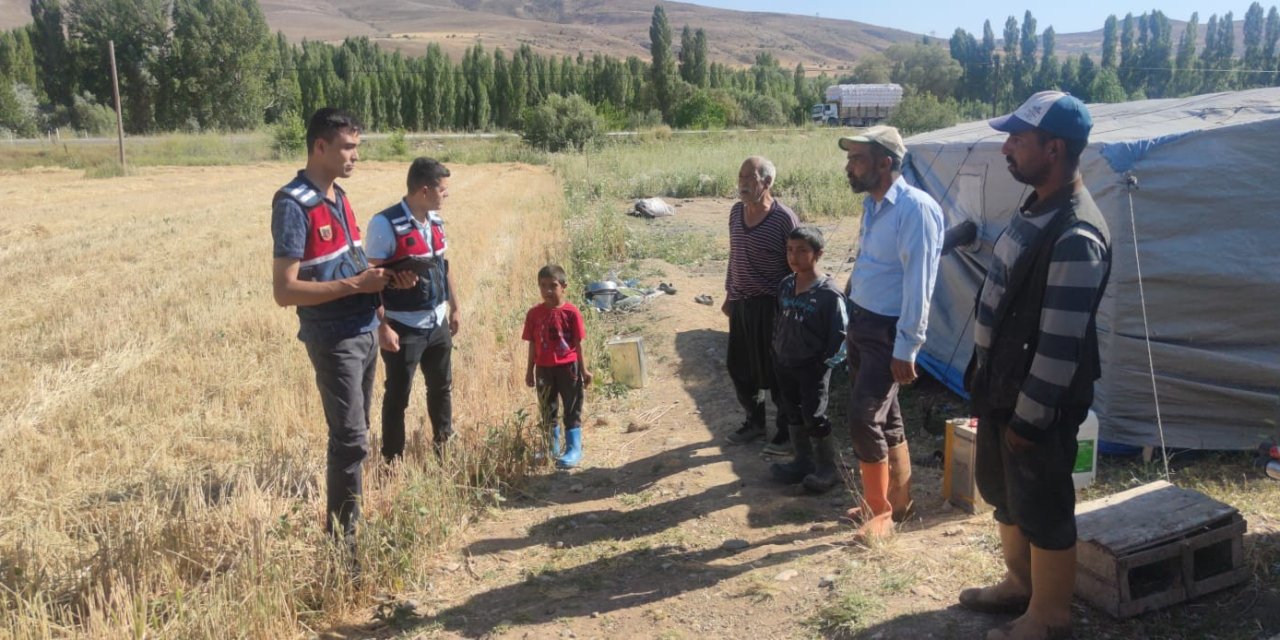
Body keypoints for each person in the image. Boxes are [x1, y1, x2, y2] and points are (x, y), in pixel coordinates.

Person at [958, 91, 1111, 640]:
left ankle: (1049, 617)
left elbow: (1059, 344)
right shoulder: (1037, 203)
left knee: (1044, 507)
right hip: (1004, 390)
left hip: (1037, 402)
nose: (1006, 148)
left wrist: (1030, 418)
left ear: (1054, 148)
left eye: (1018, 140)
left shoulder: (1075, 235)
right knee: (1006, 495)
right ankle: (1020, 588)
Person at [270, 107, 414, 545]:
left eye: (356, 147)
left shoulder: (339, 197)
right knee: (351, 441)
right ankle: (343, 545)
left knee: (358, 436)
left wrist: (387, 283)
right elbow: (285, 290)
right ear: (320, 147)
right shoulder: (293, 204)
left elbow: (351, 267)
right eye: (348, 147)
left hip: (365, 329)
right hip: (334, 338)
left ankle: (352, 526)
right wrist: (357, 284)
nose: (355, 156)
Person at [839, 126, 944, 541]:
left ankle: (879, 511)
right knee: (888, 417)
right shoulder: (873, 205)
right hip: (862, 322)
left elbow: (921, 283)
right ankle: (898, 502)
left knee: (864, 416)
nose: (850, 167)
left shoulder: (915, 210)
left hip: (888, 331)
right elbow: (871, 263)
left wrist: (908, 346)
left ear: (886, 163)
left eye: (858, 159)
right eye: (850, 160)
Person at [365, 158, 461, 461]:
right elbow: (371, 280)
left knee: (441, 388)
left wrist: (454, 308)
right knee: (397, 396)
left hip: (437, 322)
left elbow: (444, 267)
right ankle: (392, 459)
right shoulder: (384, 224)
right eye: (442, 190)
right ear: (424, 190)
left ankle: (443, 448)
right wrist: (382, 326)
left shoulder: (435, 221)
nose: (446, 195)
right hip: (403, 326)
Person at [722, 156, 800, 456]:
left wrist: (791, 310)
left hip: (772, 306)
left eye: (748, 177)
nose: (741, 182)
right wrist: (730, 293)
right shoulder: (735, 213)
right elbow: (734, 256)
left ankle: (785, 433)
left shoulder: (783, 219)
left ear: (766, 182)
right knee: (739, 367)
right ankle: (755, 423)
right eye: (740, 176)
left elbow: (797, 266)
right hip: (741, 302)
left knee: (777, 372)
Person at [768, 226, 848, 493]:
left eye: (802, 250)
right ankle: (802, 461)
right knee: (792, 411)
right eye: (790, 250)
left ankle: (827, 469)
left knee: (814, 415)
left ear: (818, 254)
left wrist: (824, 365)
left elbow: (841, 336)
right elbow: (779, 319)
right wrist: (776, 349)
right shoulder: (786, 285)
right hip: (785, 362)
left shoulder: (829, 295)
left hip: (812, 368)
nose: (794, 256)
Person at [523, 264, 593, 468]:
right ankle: (551, 446)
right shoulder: (534, 314)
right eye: (542, 286)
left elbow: (578, 344)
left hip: (568, 368)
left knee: (572, 406)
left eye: (553, 286)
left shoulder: (571, 313)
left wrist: (584, 369)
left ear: (564, 287)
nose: (547, 291)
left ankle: (573, 448)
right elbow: (532, 344)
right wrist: (529, 371)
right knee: (547, 408)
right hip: (543, 368)